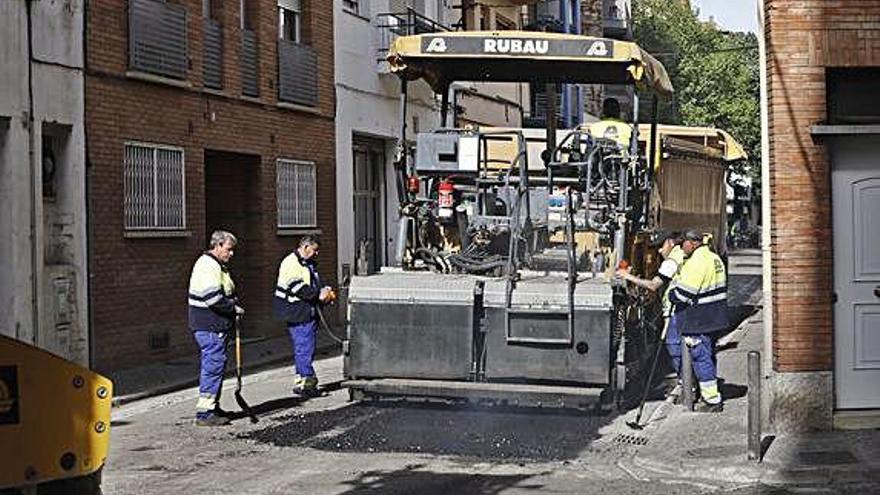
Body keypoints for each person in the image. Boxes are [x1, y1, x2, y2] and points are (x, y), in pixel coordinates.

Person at [667, 230, 729, 413]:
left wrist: (671, 294)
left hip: (699, 318)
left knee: (700, 356)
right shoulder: (713, 258)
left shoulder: (696, 262)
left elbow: (683, 294)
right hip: (714, 316)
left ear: (692, 243)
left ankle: (711, 400)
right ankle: (701, 392)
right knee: (707, 355)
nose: (680, 248)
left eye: (682, 244)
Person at [188, 230, 244, 427]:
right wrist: (233, 308)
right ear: (218, 246)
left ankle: (213, 406)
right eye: (229, 249)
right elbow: (212, 297)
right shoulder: (208, 266)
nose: (231, 254)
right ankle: (205, 412)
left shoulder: (217, 265)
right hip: (210, 325)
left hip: (214, 324)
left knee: (217, 364)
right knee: (213, 365)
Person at [616, 231, 686, 375]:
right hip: (683, 308)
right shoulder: (684, 256)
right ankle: (688, 382)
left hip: (677, 311)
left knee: (674, 346)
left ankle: (686, 381)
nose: (660, 251)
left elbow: (653, 285)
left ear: (670, 243)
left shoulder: (673, 260)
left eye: (661, 246)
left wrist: (627, 276)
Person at [274, 236, 335, 397]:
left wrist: (324, 290)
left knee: (305, 348)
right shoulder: (291, 263)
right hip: (297, 313)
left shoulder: (306, 263)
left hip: (306, 312)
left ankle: (302, 381)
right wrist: (320, 295)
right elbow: (299, 288)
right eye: (314, 250)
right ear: (306, 247)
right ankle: (307, 385)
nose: (316, 253)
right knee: (304, 349)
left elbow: (312, 283)